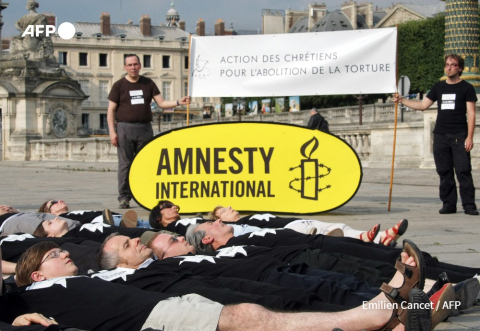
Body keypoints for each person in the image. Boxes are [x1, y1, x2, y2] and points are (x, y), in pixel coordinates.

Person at [12, 241, 435, 331]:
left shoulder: (91, 279)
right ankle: (395, 308)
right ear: (35, 275)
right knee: (262, 313)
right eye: (53, 255)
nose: (64, 253)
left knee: (323, 288)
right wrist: (16, 313)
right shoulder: (30, 294)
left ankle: (412, 312)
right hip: (153, 316)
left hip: (173, 302)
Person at [187, 220, 480, 283]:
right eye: (211, 224)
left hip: (321, 244)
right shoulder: (235, 248)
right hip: (316, 253)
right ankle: (465, 283)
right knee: (394, 266)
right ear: (209, 240)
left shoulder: (241, 233)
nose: (218, 221)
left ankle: (469, 276)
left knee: (400, 259)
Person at [393, 54, 478, 215]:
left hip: (459, 134)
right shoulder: (439, 87)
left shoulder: (466, 88)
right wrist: (402, 100)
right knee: (444, 171)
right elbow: (423, 105)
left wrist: (469, 137)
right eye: (447, 64)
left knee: (463, 171)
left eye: (453, 65)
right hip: (440, 134)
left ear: (460, 68)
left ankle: (469, 205)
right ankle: (448, 204)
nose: (449, 67)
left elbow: (471, 113)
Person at [107, 54, 191, 209]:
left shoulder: (148, 83)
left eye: (135, 64)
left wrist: (179, 101)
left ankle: (145, 193)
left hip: (145, 128)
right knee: (125, 164)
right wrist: (113, 132)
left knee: (145, 163)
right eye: (129, 65)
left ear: (140, 66)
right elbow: (111, 111)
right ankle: (124, 197)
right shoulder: (119, 85)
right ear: (125, 67)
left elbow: (162, 103)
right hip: (124, 128)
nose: (133, 67)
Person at [209, 205, 408, 246]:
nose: (231, 208)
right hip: (291, 230)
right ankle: (378, 238)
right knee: (334, 232)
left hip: (295, 223)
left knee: (338, 228)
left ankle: (380, 238)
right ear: (220, 219)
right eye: (225, 210)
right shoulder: (242, 226)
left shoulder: (248, 218)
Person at [37, 199, 149, 228]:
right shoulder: (62, 219)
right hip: (104, 221)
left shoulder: (73, 213)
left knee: (145, 223)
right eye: (54, 202)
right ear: (50, 212)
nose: (60, 200)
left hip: (115, 216)